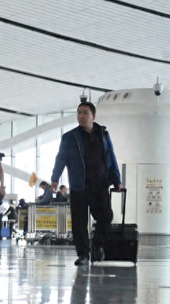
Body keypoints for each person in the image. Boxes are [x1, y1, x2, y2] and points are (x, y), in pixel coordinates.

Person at [51, 101, 121, 266]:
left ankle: (97, 245)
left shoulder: (103, 134)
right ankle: (83, 254)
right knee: (79, 222)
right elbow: (61, 159)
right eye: (79, 113)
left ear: (93, 116)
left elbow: (111, 157)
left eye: (85, 113)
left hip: (100, 184)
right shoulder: (70, 137)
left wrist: (117, 180)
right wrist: (55, 178)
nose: (81, 116)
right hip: (79, 186)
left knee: (106, 216)